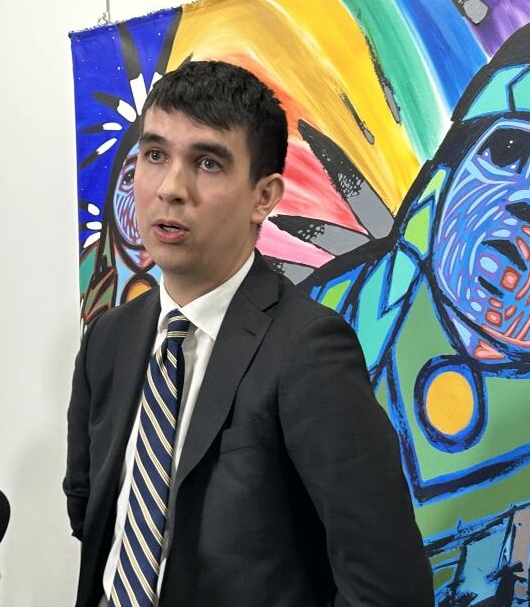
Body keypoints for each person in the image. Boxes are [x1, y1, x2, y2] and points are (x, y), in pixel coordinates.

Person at [64, 59, 433, 607]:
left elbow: (389, 586)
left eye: (207, 163)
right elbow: (90, 510)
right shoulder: (108, 340)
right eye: (155, 154)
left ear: (264, 197)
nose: (170, 188)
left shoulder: (308, 349)